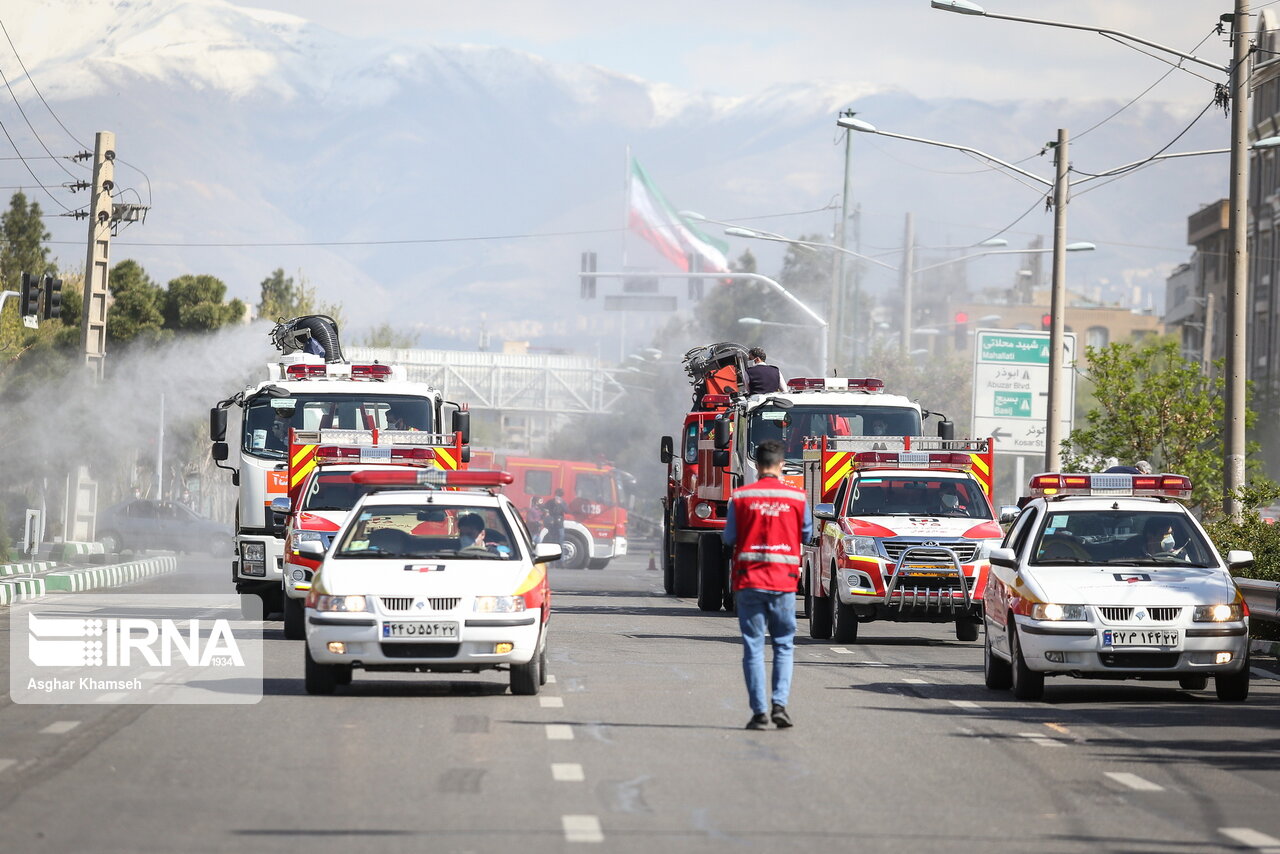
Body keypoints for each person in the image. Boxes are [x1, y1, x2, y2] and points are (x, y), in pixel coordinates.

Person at [722, 439, 810, 730]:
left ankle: (759, 713)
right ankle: (780, 706)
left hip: (749, 582)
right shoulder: (798, 498)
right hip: (784, 583)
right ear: (782, 464)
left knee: (753, 647)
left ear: (757, 465)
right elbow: (807, 534)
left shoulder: (741, 497)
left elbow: (729, 538)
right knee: (784, 645)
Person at [542, 489, 567, 556]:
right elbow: (544, 508)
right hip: (552, 524)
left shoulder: (562, 503)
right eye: (557, 495)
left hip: (559, 525)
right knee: (552, 542)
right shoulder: (550, 502)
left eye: (559, 496)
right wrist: (547, 512)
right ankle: (552, 559)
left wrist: (560, 504)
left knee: (560, 542)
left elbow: (567, 510)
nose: (558, 497)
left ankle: (561, 561)